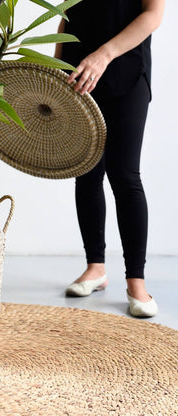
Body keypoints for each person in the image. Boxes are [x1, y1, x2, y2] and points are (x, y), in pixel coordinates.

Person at [55, 0, 165, 317]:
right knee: (86, 171)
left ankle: (136, 281)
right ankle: (95, 268)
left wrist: (104, 55)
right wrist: (56, 66)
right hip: (77, 70)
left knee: (125, 175)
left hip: (126, 66)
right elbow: (67, 13)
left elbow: (153, 14)